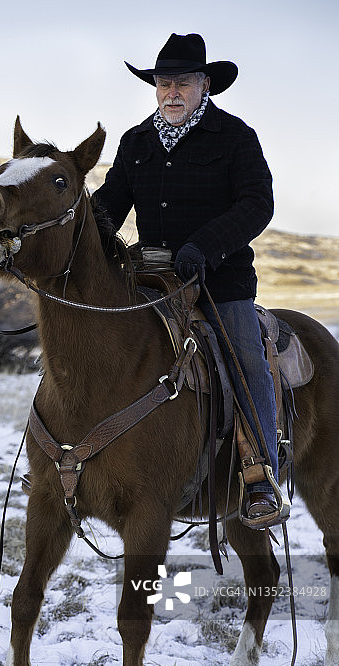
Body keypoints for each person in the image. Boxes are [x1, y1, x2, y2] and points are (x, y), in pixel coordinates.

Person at [94, 32, 282, 524]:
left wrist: (207, 245)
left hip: (222, 283)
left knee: (245, 364)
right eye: (162, 82)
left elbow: (257, 204)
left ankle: (260, 478)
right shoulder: (136, 141)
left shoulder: (234, 136)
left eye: (182, 82)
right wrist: (86, 233)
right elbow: (110, 205)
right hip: (151, 281)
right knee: (90, 345)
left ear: (205, 85)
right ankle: (70, 459)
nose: (171, 91)